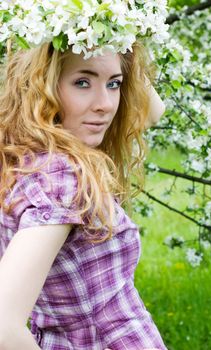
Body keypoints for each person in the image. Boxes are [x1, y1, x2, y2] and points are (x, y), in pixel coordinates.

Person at [0, 1, 167, 349]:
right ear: (39, 85)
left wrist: (115, 19)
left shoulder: (26, 155)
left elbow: (153, 112)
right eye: (82, 82)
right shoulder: (62, 177)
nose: (105, 104)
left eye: (114, 84)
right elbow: (3, 323)